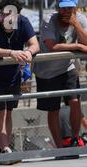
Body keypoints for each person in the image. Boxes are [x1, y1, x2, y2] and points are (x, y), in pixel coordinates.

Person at [0, 0, 39, 164]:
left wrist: (28, 52)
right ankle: (4, 150)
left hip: (13, 77)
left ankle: (6, 147)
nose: (3, 17)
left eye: (7, 14)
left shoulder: (24, 23)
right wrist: (11, 52)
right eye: (1, 13)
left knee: (8, 112)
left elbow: (35, 44)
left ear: (17, 15)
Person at [33, 0, 87, 149]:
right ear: (58, 8)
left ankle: (75, 138)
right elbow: (52, 46)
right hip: (46, 72)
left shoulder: (81, 19)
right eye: (63, 8)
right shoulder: (48, 19)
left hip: (67, 67)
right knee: (53, 109)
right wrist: (77, 46)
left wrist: (76, 25)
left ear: (75, 8)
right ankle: (59, 147)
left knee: (75, 103)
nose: (66, 12)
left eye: (70, 8)